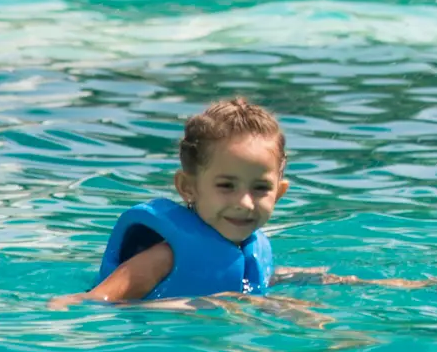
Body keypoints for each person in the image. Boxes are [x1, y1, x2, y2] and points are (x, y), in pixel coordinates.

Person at [60, 97, 375, 307]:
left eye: (261, 188)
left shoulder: (252, 250)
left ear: (279, 193)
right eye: (226, 185)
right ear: (189, 187)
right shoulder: (162, 258)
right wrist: (204, 305)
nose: (245, 202)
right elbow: (94, 302)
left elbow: (260, 279)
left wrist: (369, 283)